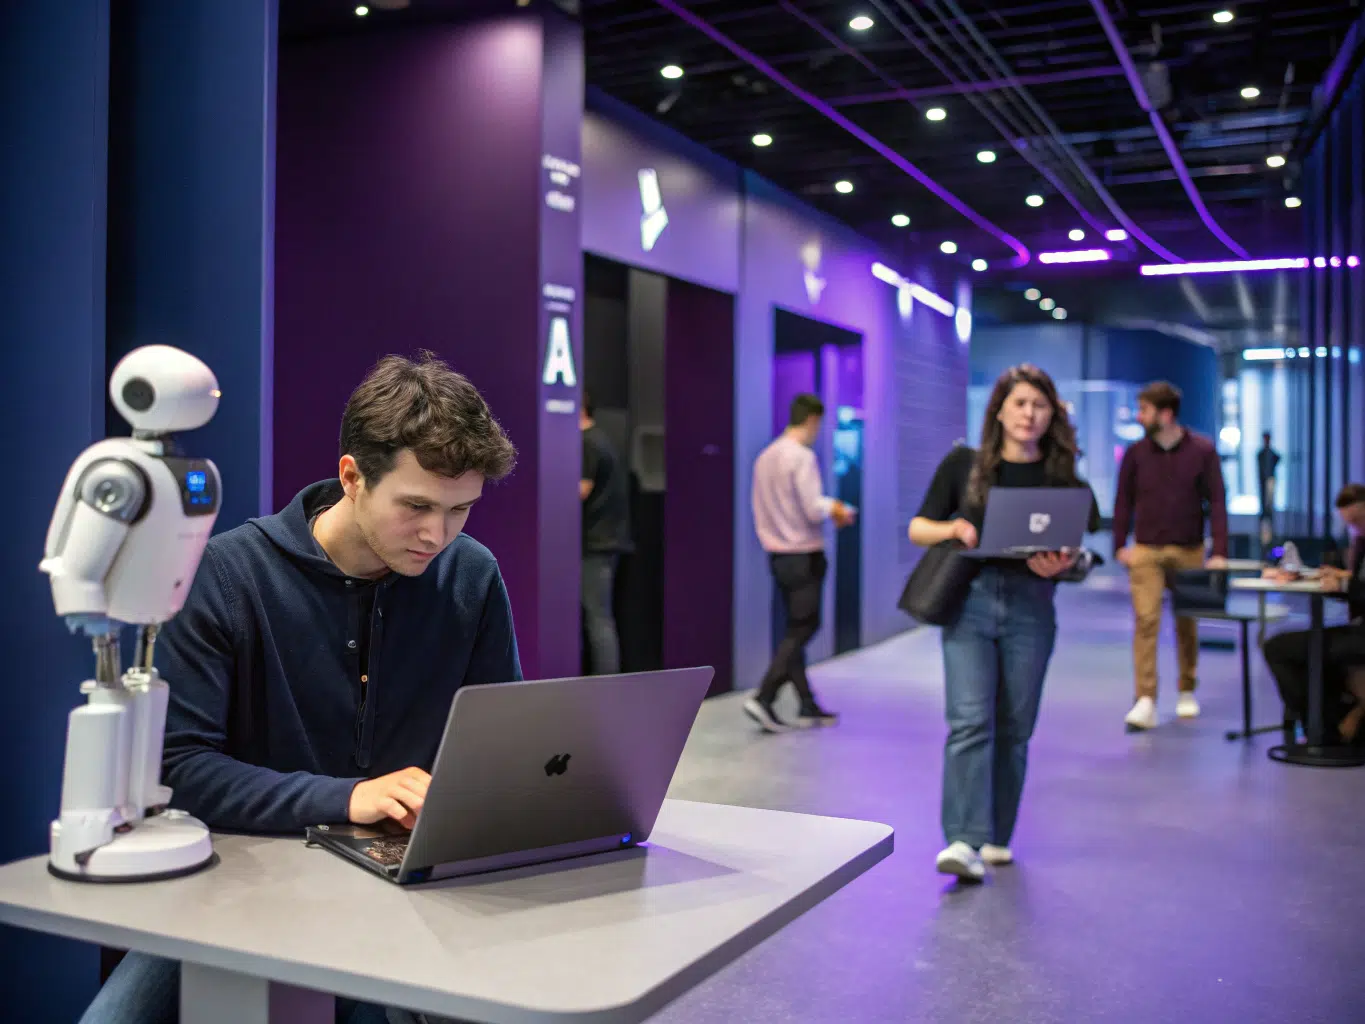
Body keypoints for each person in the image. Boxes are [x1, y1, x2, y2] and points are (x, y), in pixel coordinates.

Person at [80, 353, 521, 1024]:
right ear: (351, 476)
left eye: (459, 510)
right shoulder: (228, 575)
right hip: (244, 882)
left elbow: (498, 741)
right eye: (416, 507)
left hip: (410, 883)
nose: (437, 534)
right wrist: (348, 797)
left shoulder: (471, 575)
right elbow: (182, 769)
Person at [910, 364, 1098, 882]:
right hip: (969, 601)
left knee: (1015, 728)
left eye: (1039, 405)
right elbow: (918, 528)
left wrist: (1064, 565)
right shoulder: (964, 465)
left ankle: (996, 834)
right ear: (999, 409)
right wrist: (954, 527)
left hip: (1032, 604)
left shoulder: (1064, 480)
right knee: (970, 721)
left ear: (1051, 414)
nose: (1029, 414)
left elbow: (1082, 552)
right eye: (1019, 403)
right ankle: (963, 840)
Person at [1112, 381, 1228, 731]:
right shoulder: (1135, 454)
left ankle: (1186, 687)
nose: (1139, 415)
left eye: (1144, 409)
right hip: (1146, 550)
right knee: (1146, 621)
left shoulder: (1203, 452)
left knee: (1186, 623)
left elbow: (1218, 502)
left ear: (1165, 414)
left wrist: (1219, 550)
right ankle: (1145, 697)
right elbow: (1123, 501)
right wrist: (1120, 545)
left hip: (1190, 549)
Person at [745, 393, 855, 732]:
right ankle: (765, 695)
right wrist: (836, 509)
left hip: (777, 555)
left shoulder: (764, 458)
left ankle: (806, 703)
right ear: (812, 421)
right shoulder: (802, 458)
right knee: (804, 627)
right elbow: (811, 507)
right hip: (804, 555)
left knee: (794, 628)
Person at [1262, 483, 1365, 743]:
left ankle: (1322, 729)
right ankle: (1327, 723)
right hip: (1357, 629)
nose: (1355, 529)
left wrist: (1346, 584)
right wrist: (1332, 581)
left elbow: (1357, 587)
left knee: (1279, 648)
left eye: (1357, 521)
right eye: (1350, 523)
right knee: (1307, 647)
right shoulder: (1359, 543)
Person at [579, 392, 632, 675]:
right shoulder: (601, 440)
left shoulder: (588, 443)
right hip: (605, 540)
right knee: (599, 617)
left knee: (598, 618)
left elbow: (582, 490)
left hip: (596, 543)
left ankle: (607, 685)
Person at [1258, 432, 1281, 542]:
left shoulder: (1272, 454)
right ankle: (1264, 529)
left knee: (1270, 504)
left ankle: (1270, 526)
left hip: (1270, 480)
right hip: (1263, 482)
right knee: (1264, 504)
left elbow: (1278, 458)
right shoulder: (1261, 454)